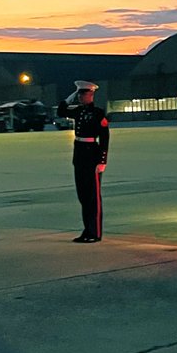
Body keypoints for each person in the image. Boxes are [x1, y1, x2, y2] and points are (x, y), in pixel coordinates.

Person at [57, 80, 109, 242]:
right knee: (83, 196)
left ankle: (95, 232)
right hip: (79, 155)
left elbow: (105, 138)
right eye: (78, 94)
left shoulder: (98, 113)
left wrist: (102, 161)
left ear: (91, 95)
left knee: (93, 197)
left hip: (92, 155)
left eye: (83, 94)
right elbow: (61, 111)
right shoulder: (78, 111)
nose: (80, 97)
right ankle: (87, 230)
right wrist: (70, 96)